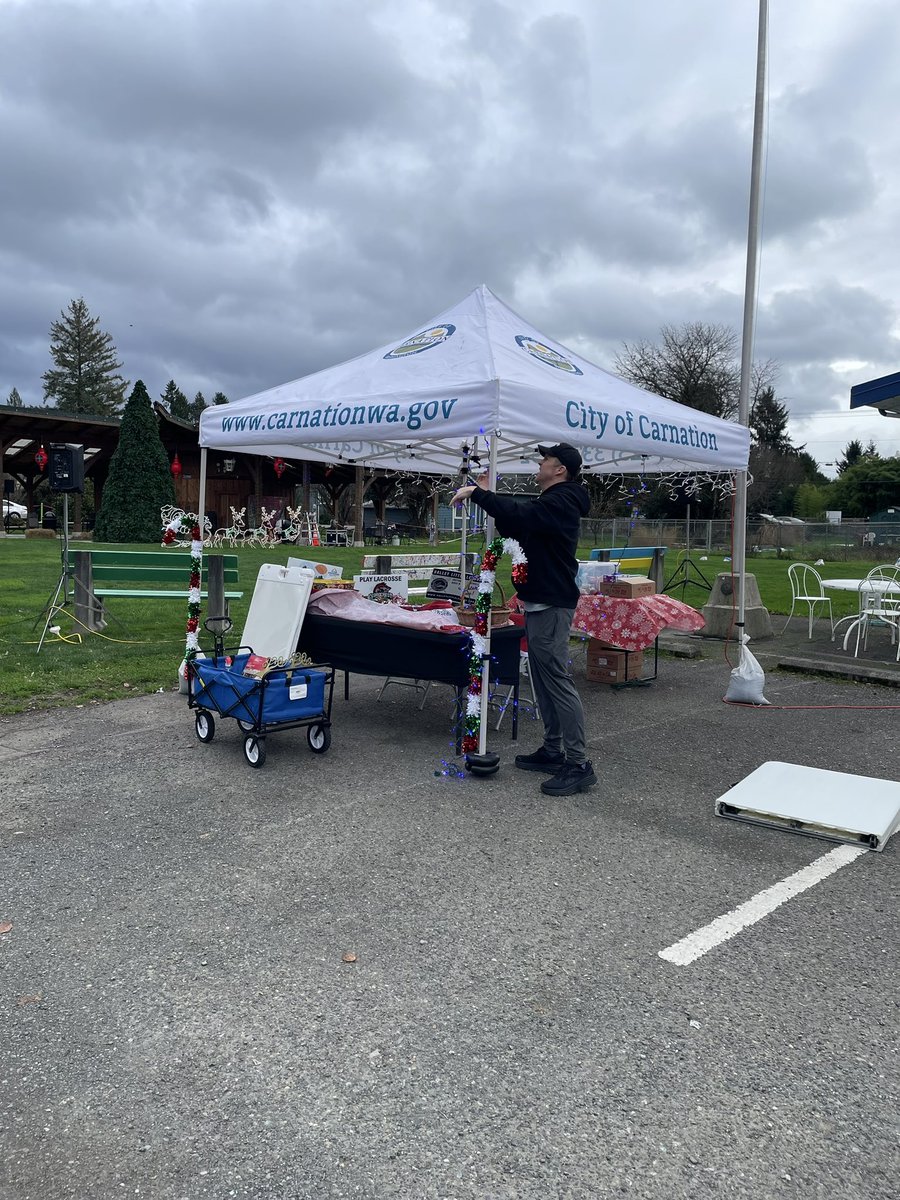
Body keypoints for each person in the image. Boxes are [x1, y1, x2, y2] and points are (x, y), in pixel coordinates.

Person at [450, 443, 595, 796]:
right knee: (543, 682)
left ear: (559, 469)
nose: (539, 463)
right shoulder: (552, 503)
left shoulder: (563, 500)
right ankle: (552, 749)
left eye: (545, 460)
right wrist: (488, 495)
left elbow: (524, 515)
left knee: (556, 681)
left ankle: (578, 763)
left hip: (551, 605)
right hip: (538, 603)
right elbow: (515, 524)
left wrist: (478, 494)